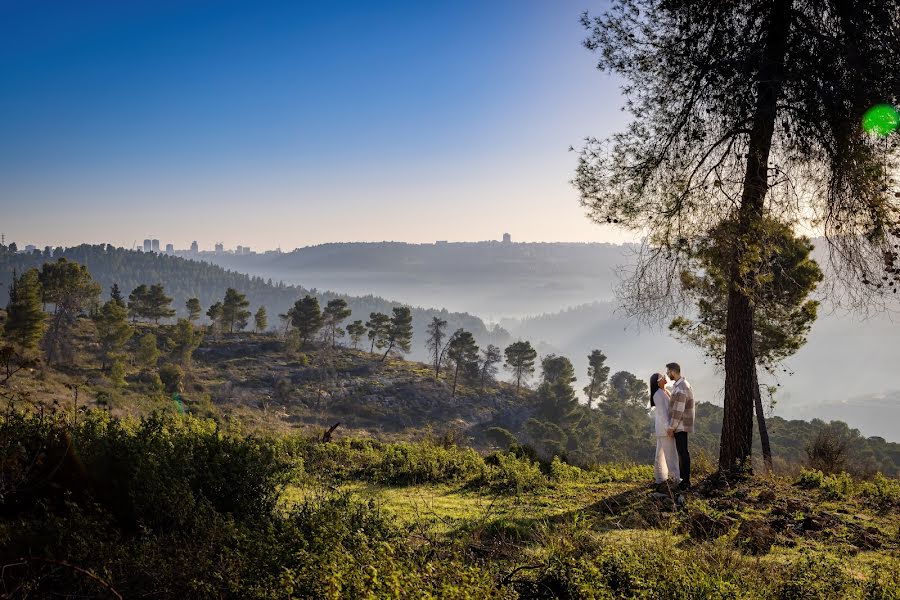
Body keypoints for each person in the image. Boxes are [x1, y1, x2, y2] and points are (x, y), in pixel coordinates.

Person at [665, 362, 695, 490]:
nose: (667, 374)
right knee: (682, 452)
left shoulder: (682, 386)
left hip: (681, 425)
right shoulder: (679, 385)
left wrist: (672, 427)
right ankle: (684, 479)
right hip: (681, 424)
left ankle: (686, 481)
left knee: (683, 452)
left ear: (673, 371)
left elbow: (678, 410)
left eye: (668, 372)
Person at [650, 372, 680, 489]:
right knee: (671, 455)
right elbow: (663, 414)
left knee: (660, 455)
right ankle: (676, 479)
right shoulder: (658, 394)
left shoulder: (665, 391)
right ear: (658, 382)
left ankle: (660, 478)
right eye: (662, 377)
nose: (665, 377)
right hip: (664, 429)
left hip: (663, 428)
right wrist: (669, 428)